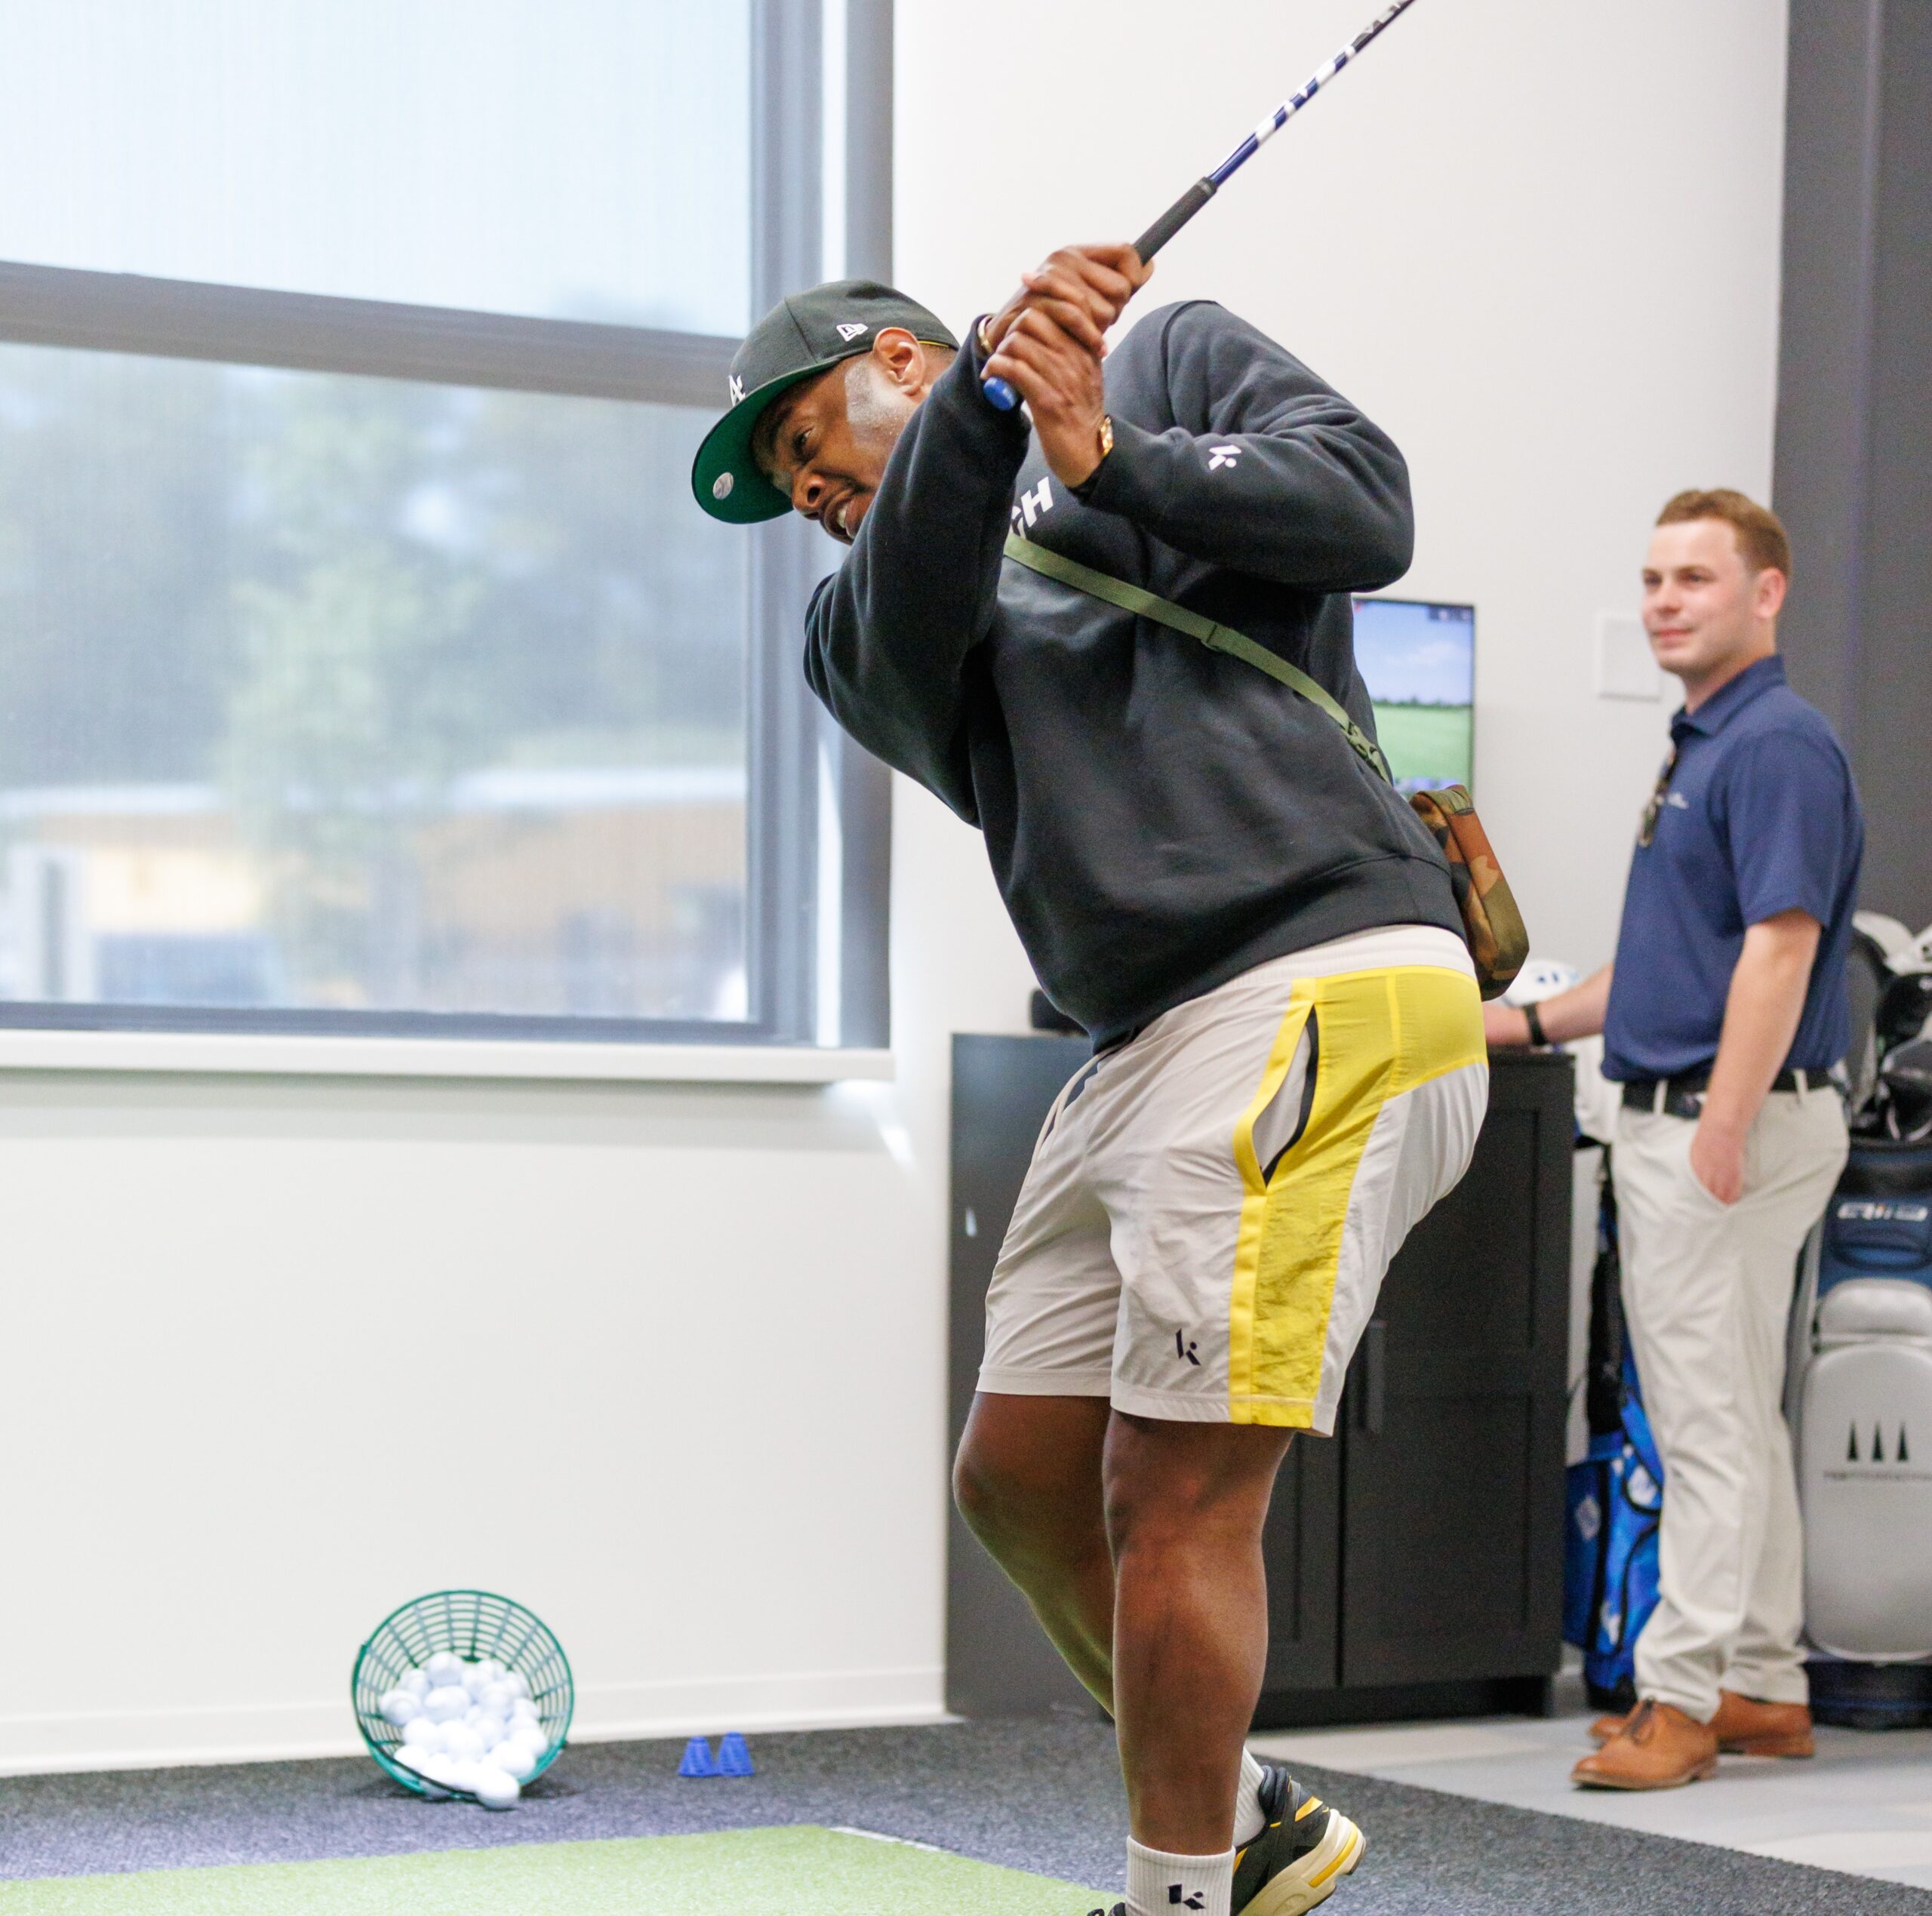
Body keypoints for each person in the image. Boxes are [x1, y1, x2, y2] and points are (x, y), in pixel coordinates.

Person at [693, 248, 1489, 1916]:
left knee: (1170, 1482)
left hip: (1311, 974)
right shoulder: (866, 611)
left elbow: (1365, 508)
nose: (810, 491)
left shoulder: (1173, 362)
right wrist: (991, 407)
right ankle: (1247, 1811)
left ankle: (1176, 1895)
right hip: (1127, 1035)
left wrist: (1108, 452)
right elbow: (910, 604)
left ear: (889, 356)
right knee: (1019, 1474)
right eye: (785, 487)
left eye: (802, 441)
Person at [1488, 490, 1862, 1790]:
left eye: (1695, 578)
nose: (1663, 600)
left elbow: (1783, 944)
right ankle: (1763, 1682)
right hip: (1700, 1112)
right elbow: (1663, 972)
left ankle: (1682, 1700)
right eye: (1652, 578)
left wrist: (1724, 1119)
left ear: (1767, 595)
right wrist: (1520, 1024)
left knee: (1701, 1423)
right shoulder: (1703, 744)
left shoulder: (1775, 749)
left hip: (1722, 1127)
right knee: (1734, 1419)